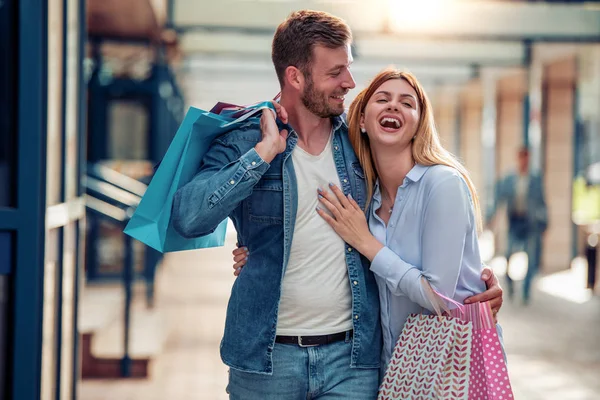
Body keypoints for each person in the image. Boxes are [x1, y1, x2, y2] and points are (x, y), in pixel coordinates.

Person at [174, 10, 502, 399]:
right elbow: (189, 217)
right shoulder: (247, 139)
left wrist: (471, 280)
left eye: (348, 68)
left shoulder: (359, 143)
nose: (349, 82)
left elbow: (409, 217)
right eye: (335, 73)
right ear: (295, 76)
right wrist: (261, 156)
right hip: (266, 361)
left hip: (353, 362)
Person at [235, 68, 504, 376]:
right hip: (396, 372)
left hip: (453, 368)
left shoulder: (442, 184)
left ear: (419, 124)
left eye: (407, 103)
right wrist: (260, 259)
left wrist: (367, 243)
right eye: (383, 99)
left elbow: (438, 297)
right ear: (361, 121)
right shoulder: (366, 200)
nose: (394, 106)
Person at [487, 147, 548, 305]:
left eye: (526, 158)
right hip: (514, 222)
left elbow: (542, 203)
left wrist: (545, 221)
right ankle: (510, 284)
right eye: (521, 158)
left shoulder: (535, 179)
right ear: (518, 159)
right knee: (508, 255)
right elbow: (498, 199)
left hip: (530, 224)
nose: (524, 161)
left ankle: (526, 290)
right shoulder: (509, 179)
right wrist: (491, 217)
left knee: (531, 258)